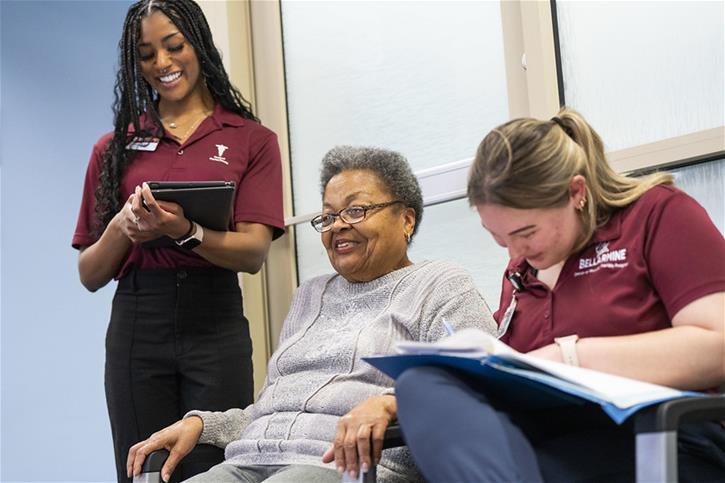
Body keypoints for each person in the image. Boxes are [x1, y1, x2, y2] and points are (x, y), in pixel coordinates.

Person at [126, 145, 497, 483]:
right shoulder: (310, 294)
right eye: (328, 215)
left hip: (349, 466)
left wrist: (391, 402)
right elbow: (278, 412)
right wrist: (203, 425)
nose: (338, 225)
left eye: (356, 210)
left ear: (407, 220)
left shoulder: (440, 284)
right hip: (251, 462)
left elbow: (477, 378)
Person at [395, 108, 725, 482]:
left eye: (526, 232)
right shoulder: (521, 271)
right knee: (421, 385)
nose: (514, 253)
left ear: (576, 192)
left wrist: (568, 356)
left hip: (655, 441)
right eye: (498, 237)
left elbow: (718, 344)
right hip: (543, 447)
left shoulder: (657, 215)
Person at [71, 1, 284, 481]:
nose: (162, 64)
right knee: (144, 468)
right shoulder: (112, 149)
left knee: (217, 465)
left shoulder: (253, 139)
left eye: (174, 46)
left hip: (215, 321)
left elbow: (252, 253)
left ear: (199, 46)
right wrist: (124, 226)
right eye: (146, 54)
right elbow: (89, 274)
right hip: (137, 323)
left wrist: (185, 231)